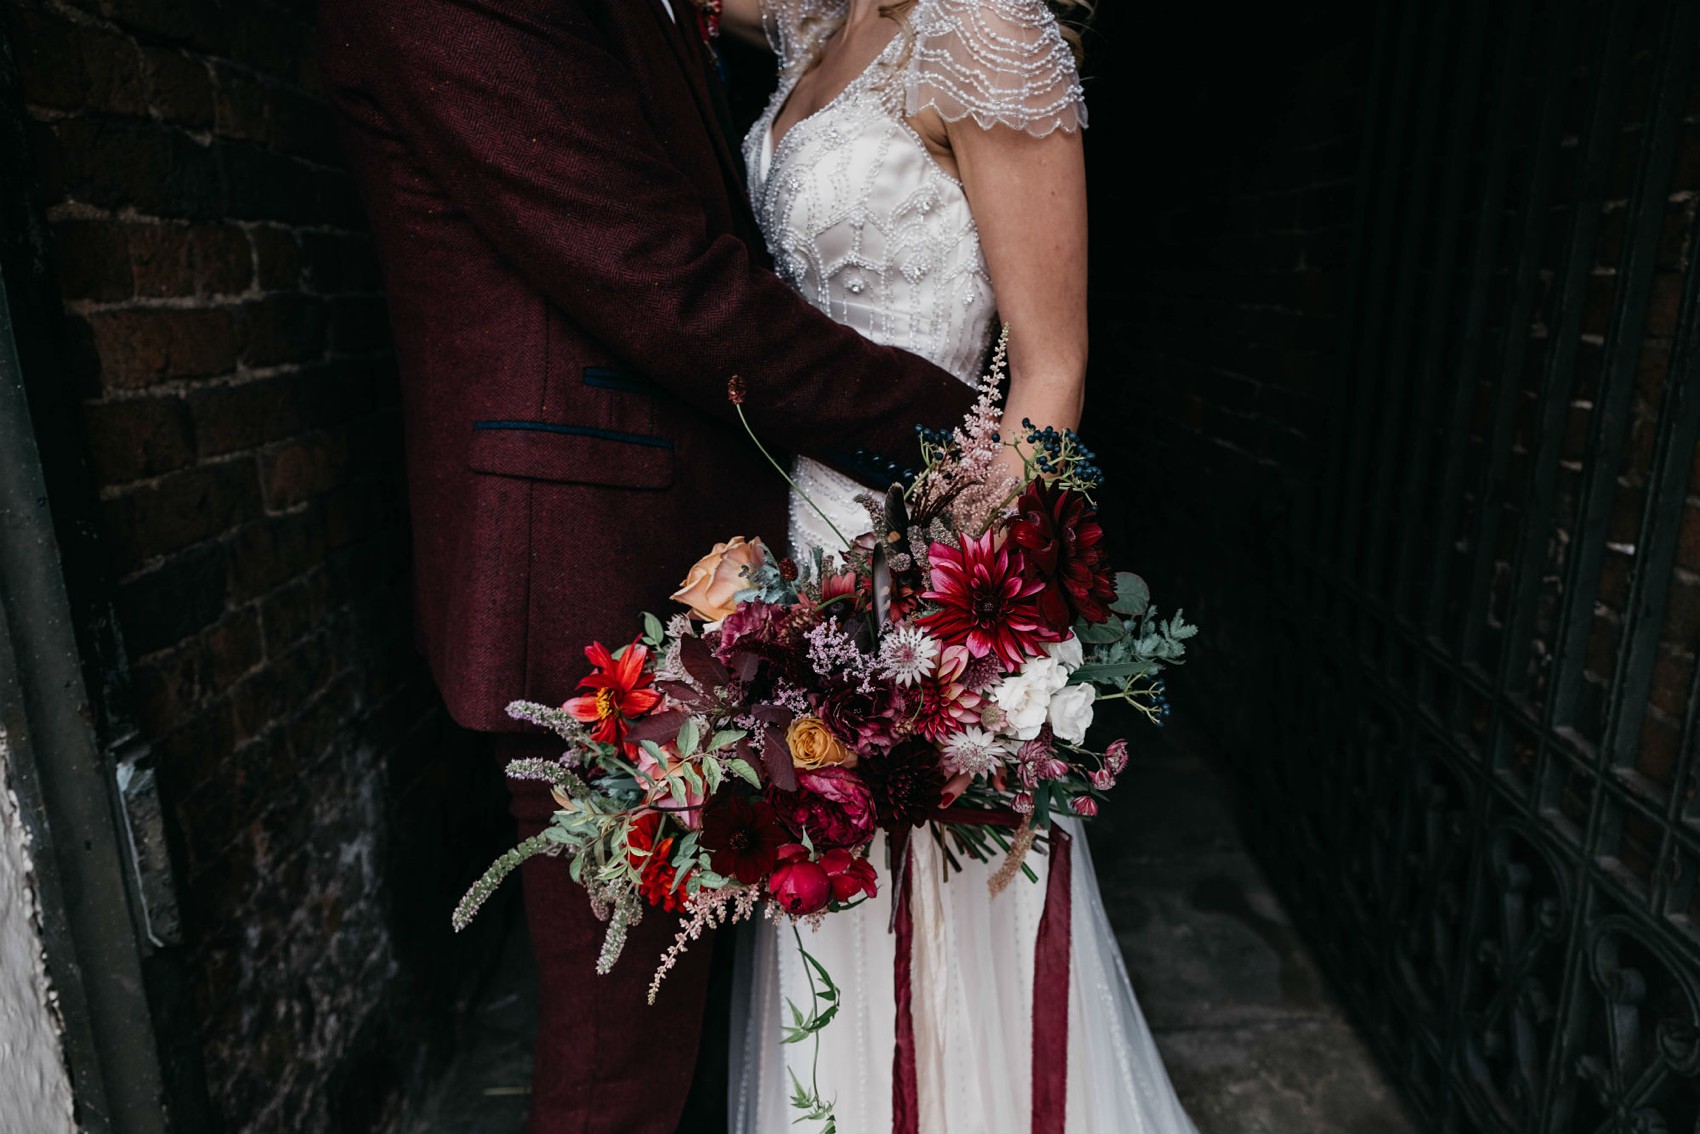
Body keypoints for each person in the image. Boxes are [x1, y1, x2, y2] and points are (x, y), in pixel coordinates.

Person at [315, 3, 979, 1131]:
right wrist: (963, 430)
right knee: (616, 1059)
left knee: (689, 1011)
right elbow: (663, 279)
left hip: (722, 557)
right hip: (586, 581)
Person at [717, 1, 1200, 1130]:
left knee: (934, 921)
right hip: (790, 566)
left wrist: (957, 622)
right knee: (821, 907)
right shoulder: (810, 21)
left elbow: (1051, 370)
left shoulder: (987, 29)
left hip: (919, 574)